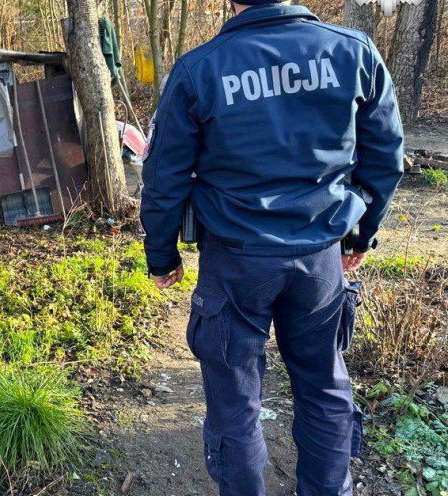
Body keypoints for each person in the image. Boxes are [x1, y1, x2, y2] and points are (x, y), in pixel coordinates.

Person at [139, 1, 404, 495]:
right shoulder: (353, 52)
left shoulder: (200, 67)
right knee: (324, 386)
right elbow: (386, 156)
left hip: (236, 258)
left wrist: (162, 254)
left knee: (234, 398)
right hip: (320, 255)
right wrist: (361, 233)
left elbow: (164, 177)